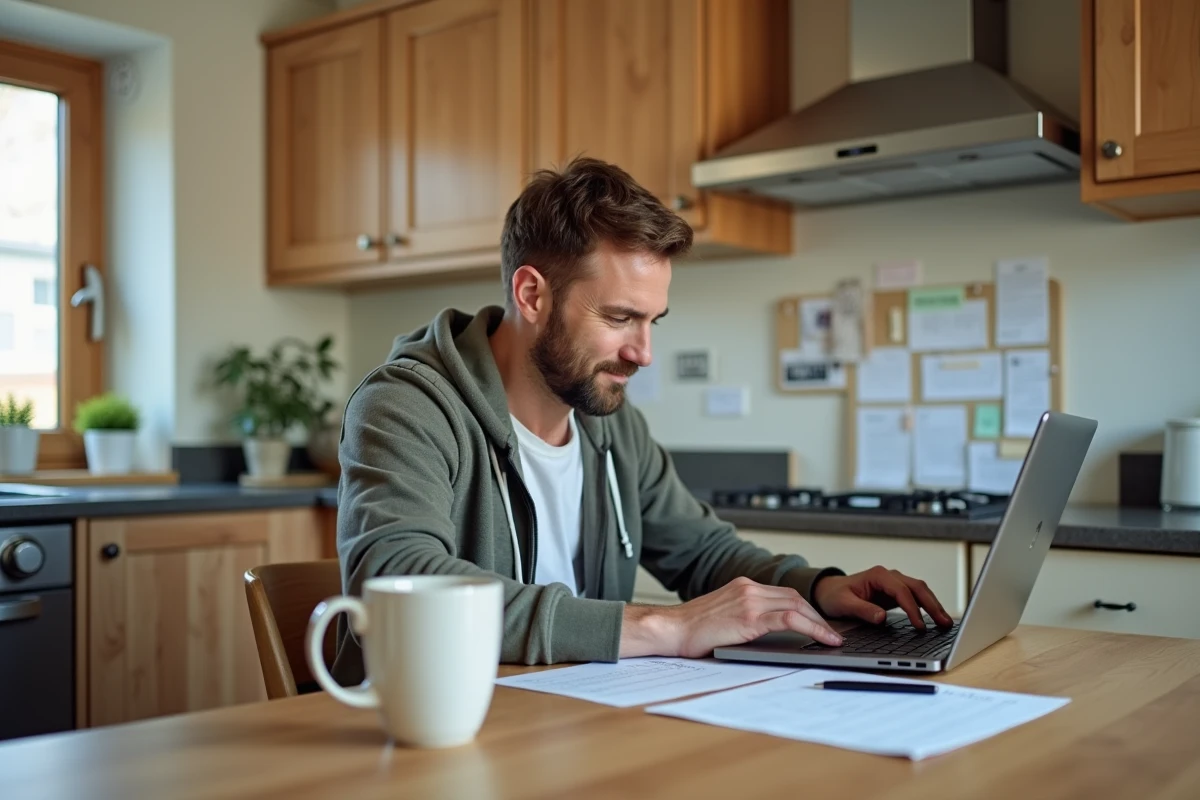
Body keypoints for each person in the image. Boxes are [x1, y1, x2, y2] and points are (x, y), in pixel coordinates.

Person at [332, 157, 951, 683]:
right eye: (619, 317)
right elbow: (398, 582)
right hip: (434, 738)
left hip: (569, 725)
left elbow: (702, 551)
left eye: (654, 321)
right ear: (531, 294)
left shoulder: (609, 423)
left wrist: (818, 587)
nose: (642, 353)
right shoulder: (407, 406)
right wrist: (664, 626)